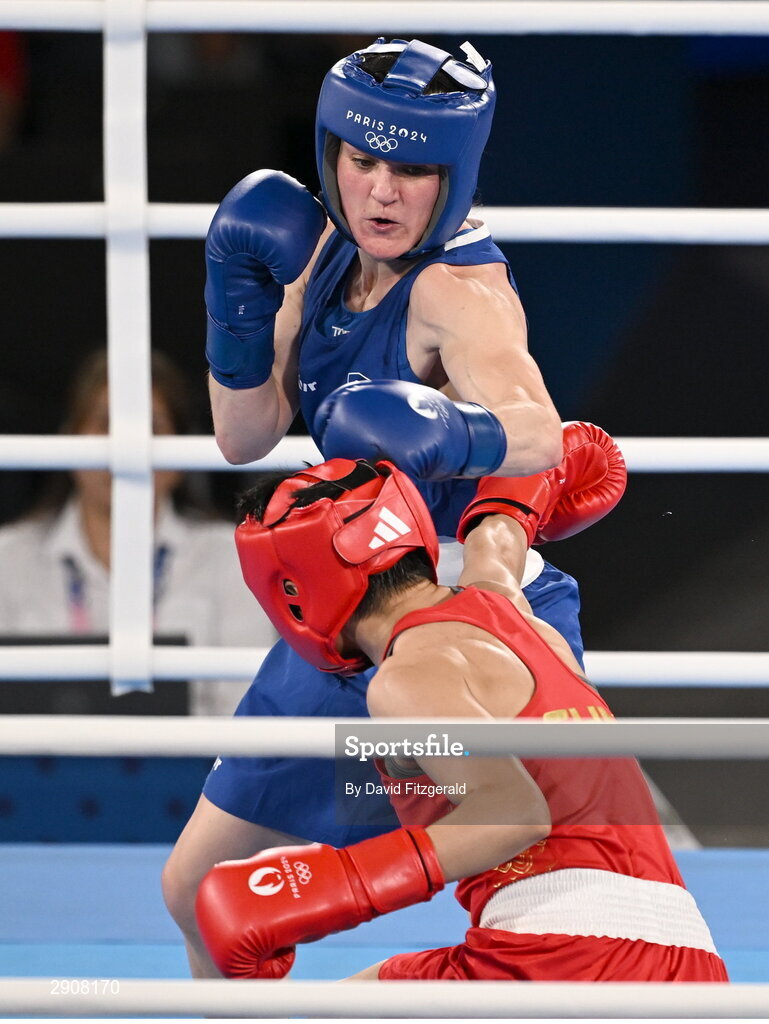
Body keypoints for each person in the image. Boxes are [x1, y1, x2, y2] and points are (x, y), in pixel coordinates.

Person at [163, 36, 688, 975]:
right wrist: (233, 316)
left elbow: (538, 428)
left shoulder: (461, 292)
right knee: (196, 895)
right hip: (346, 613)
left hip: (466, 622)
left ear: (455, 174)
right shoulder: (316, 254)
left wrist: (450, 432)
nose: (380, 192)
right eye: (362, 161)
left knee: (544, 879)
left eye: (412, 169)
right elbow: (243, 439)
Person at [193, 426, 727, 982]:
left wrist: (339, 883)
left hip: (559, 953)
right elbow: (507, 519)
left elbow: (513, 814)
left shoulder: (408, 676)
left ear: (294, 593)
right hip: (691, 961)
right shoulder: (514, 610)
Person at [0, 349, 276, 715]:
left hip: (190, 768)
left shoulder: (230, 556)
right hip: (39, 768)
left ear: (179, 452)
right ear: (69, 439)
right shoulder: (8, 557)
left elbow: (245, 711)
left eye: (153, 428)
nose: (126, 448)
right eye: (105, 423)